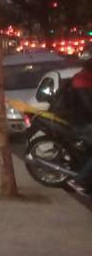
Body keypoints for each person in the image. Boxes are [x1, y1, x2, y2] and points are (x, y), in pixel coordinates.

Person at [55, 58, 92, 195]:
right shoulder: (82, 81)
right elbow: (88, 105)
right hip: (79, 122)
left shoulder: (85, 79)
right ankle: (80, 181)